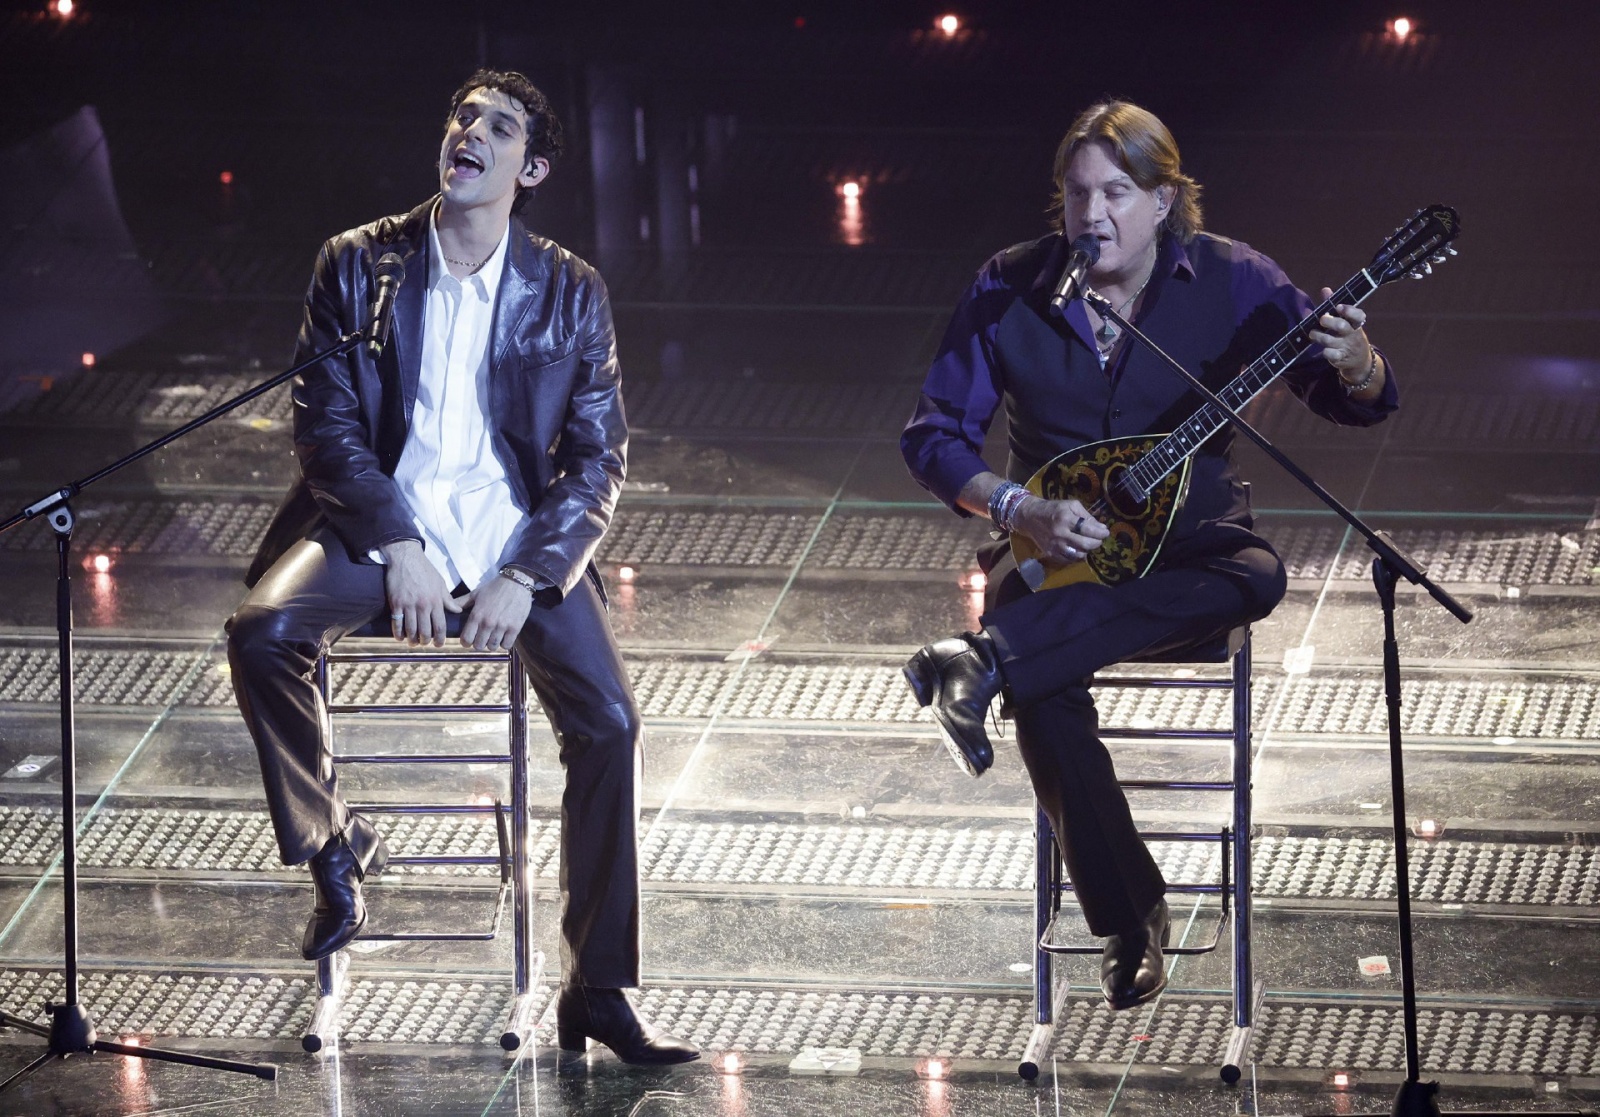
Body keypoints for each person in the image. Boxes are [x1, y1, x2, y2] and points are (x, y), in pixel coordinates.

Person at [226, 69, 697, 1065]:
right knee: (263, 631)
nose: (469, 132)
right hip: (379, 528)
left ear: (532, 167)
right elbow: (327, 426)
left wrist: (528, 573)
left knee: (610, 722)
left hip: (512, 546)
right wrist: (398, 540)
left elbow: (597, 458)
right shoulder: (358, 265)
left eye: (499, 125)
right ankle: (335, 849)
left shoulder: (568, 290)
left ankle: (597, 989)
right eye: (461, 116)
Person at [900, 101, 1397, 1011]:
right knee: (1044, 686)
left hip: (1189, 551)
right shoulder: (1010, 288)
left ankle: (982, 662)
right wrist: (1021, 507)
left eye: (1117, 193)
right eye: (1078, 193)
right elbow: (933, 436)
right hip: (1055, 556)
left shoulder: (1233, 278)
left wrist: (1359, 360)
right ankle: (1130, 919)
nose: (1094, 215)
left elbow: (1343, 393)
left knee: (1257, 576)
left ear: (1165, 199)